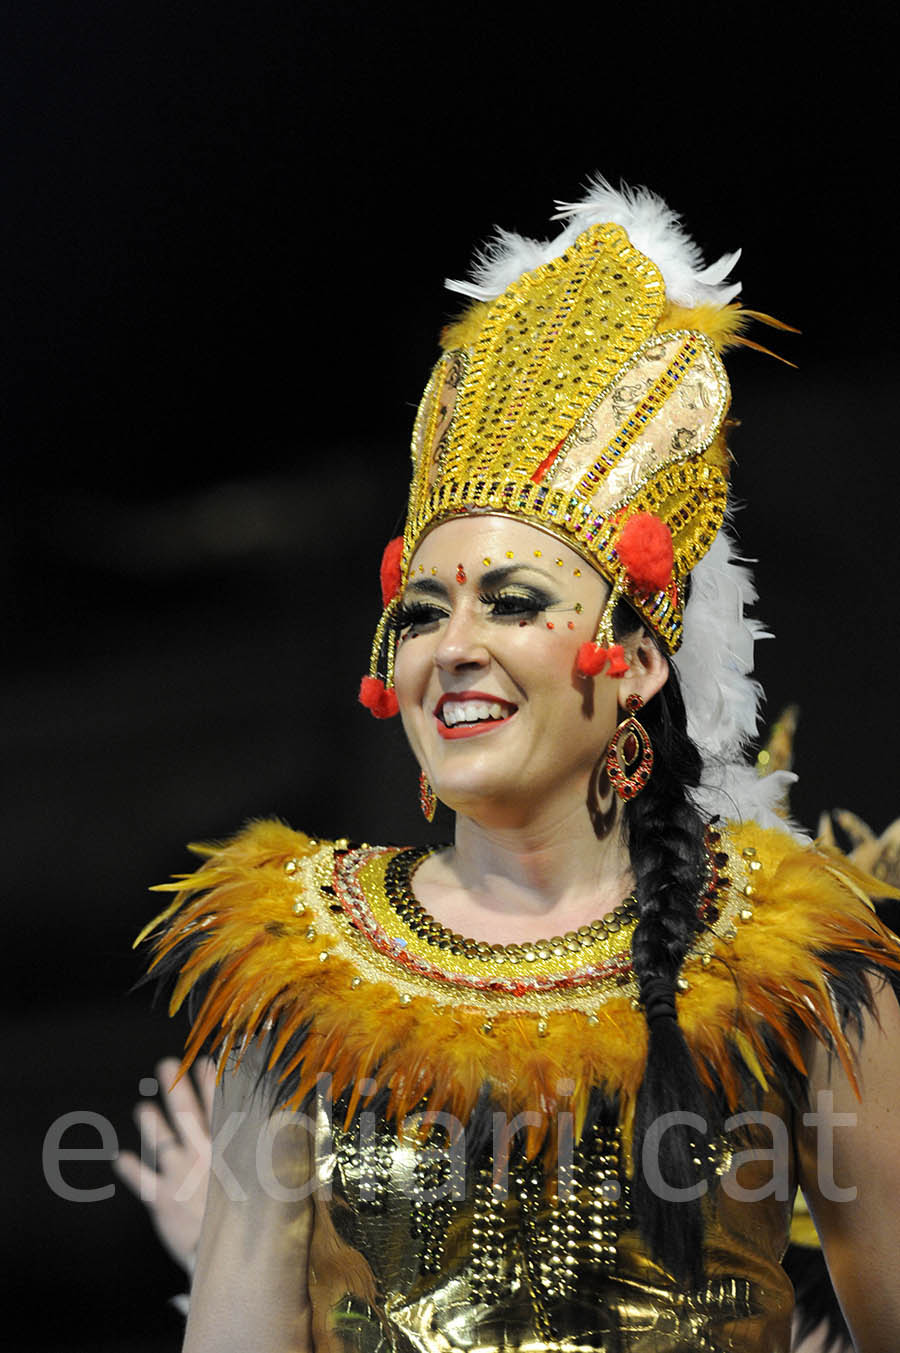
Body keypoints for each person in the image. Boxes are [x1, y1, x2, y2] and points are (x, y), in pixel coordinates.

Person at [137, 179, 900, 1352]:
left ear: (638, 662)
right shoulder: (295, 978)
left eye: (514, 600)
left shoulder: (799, 978)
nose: (455, 648)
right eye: (425, 609)